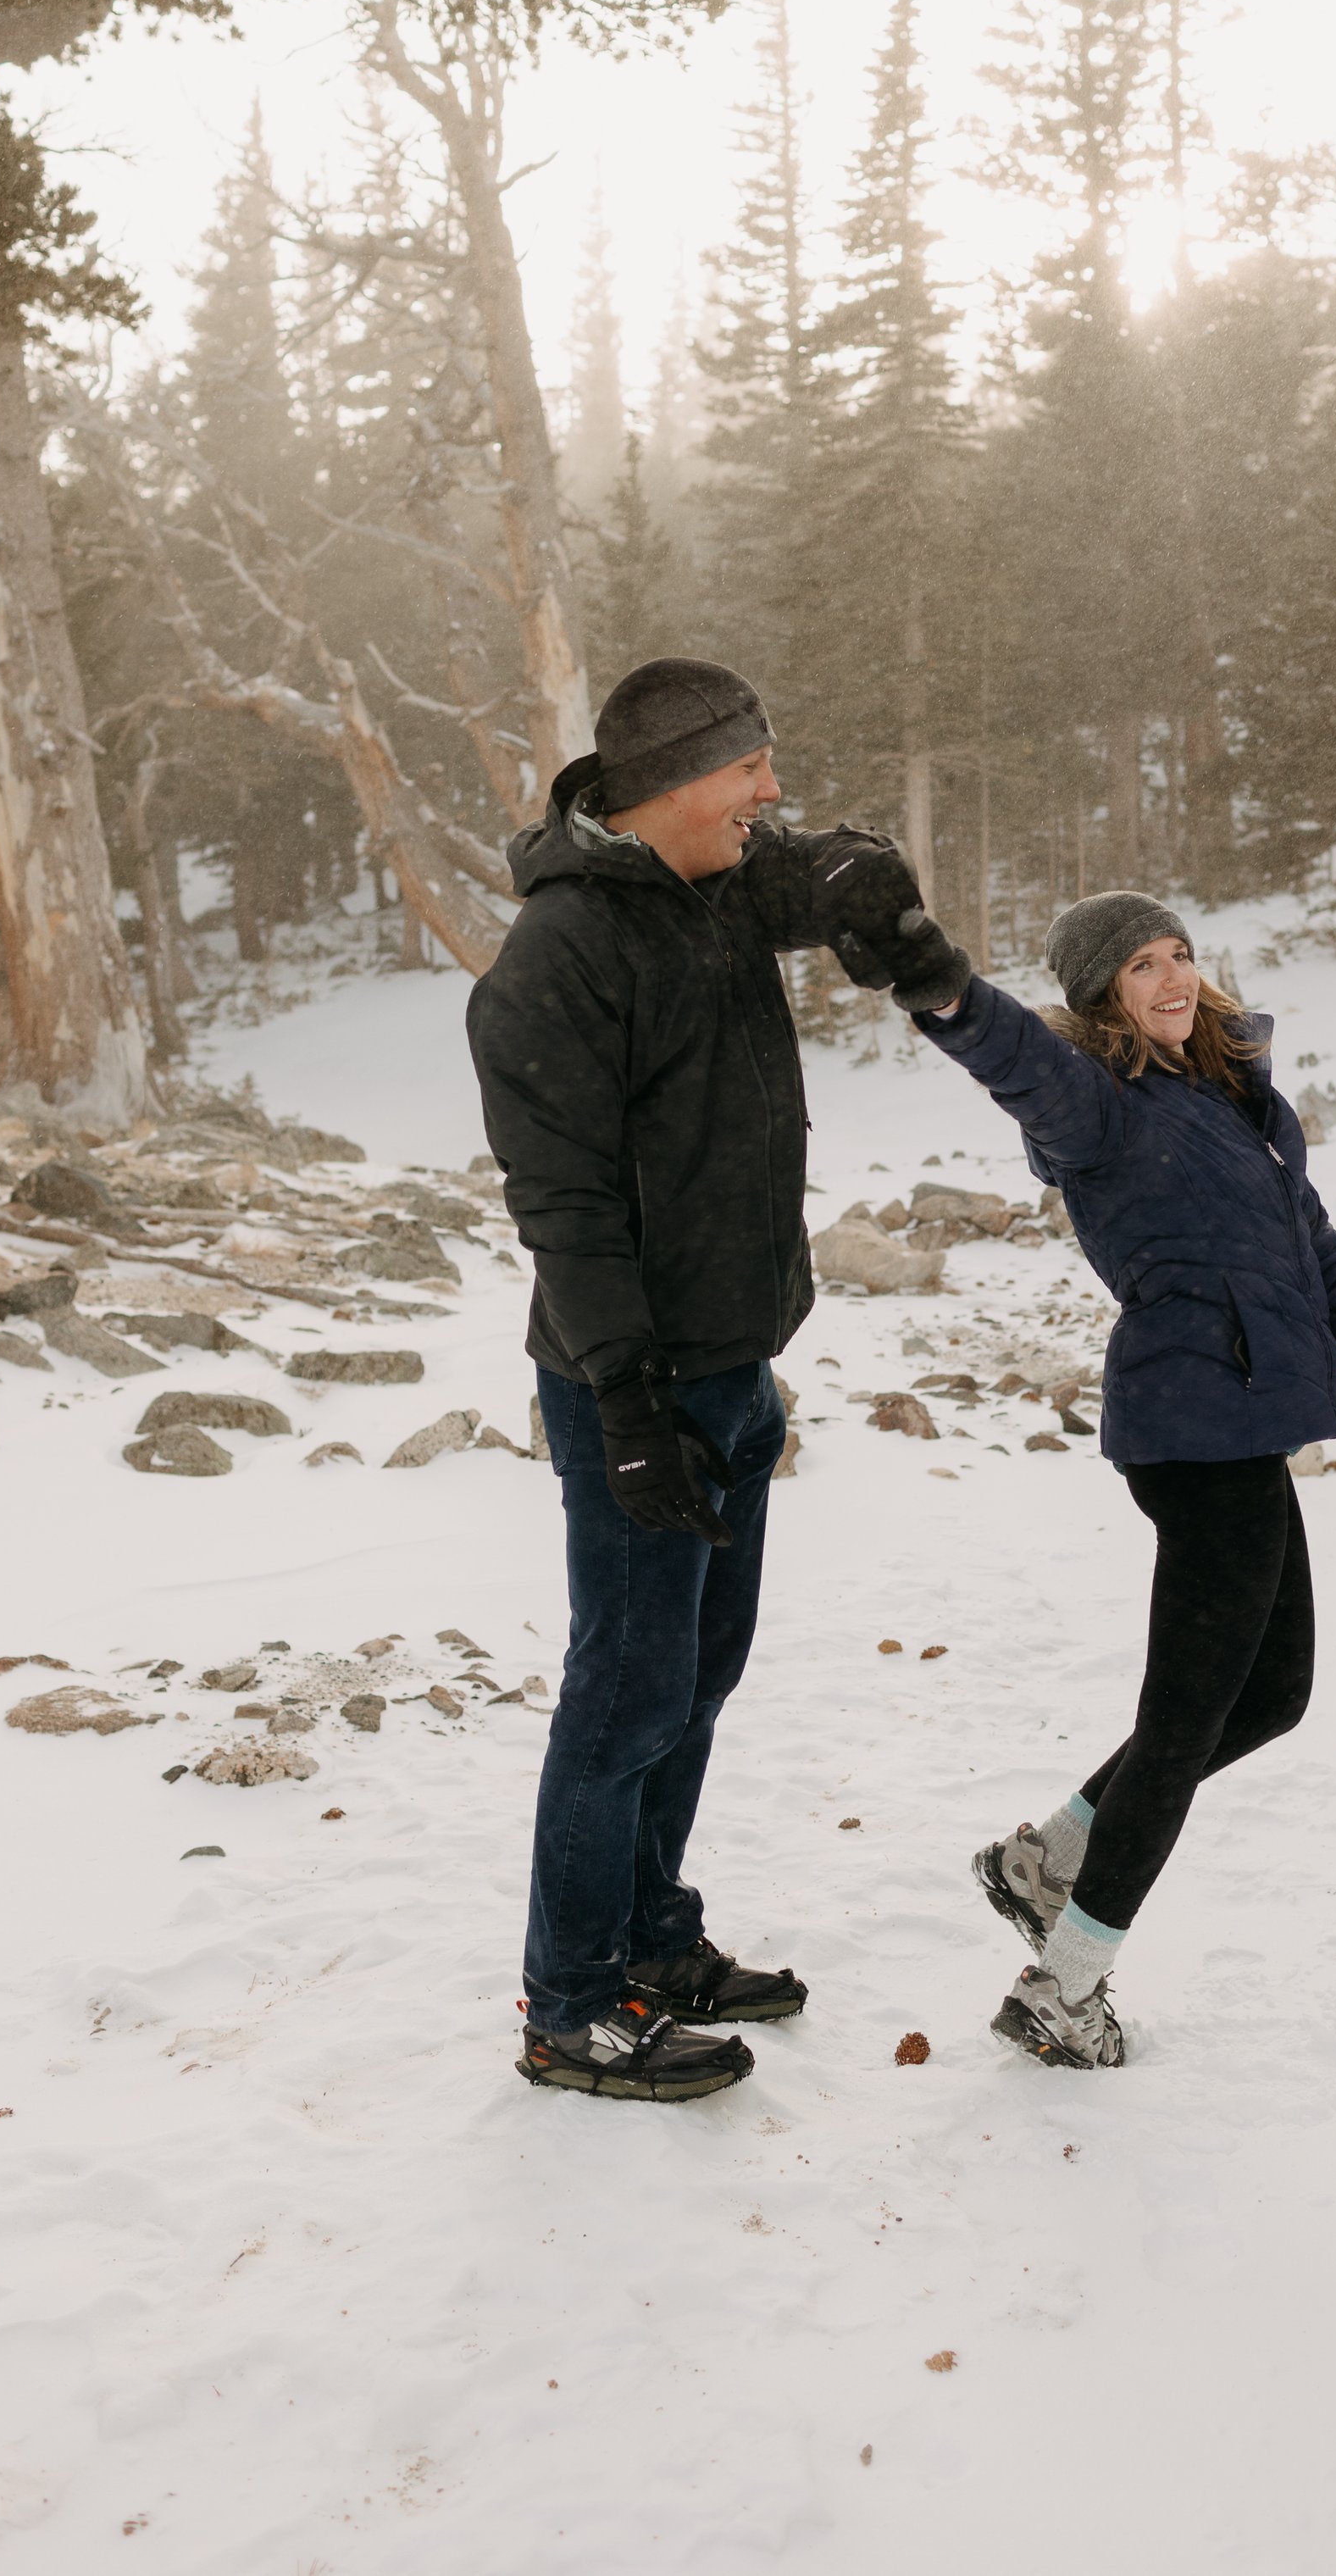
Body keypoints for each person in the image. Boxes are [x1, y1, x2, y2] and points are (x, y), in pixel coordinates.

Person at [860, 884, 1336, 2072]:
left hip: (1244, 1429)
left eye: (1180, 952)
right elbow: (1016, 1058)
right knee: (1188, 1711)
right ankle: (1066, 1982)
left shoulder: (1238, 1097)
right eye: (1141, 966)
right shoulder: (1100, 1101)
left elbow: (1324, 1265)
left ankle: (1048, 1857)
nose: (1173, 978)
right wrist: (943, 990)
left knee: (1269, 1693)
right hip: (1191, 1432)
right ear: (1103, 996)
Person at [467, 657, 949, 2102]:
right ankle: (569, 2005)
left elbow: (817, 874)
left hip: (733, 1369)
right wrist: (624, 1408)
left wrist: (878, 881)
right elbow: (565, 1211)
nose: (770, 792)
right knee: (626, 1692)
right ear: (675, 783)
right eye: (749, 771)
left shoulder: (717, 884)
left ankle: (649, 1942)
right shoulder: (557, 957)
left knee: (696, 1677)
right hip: (638, 1387)